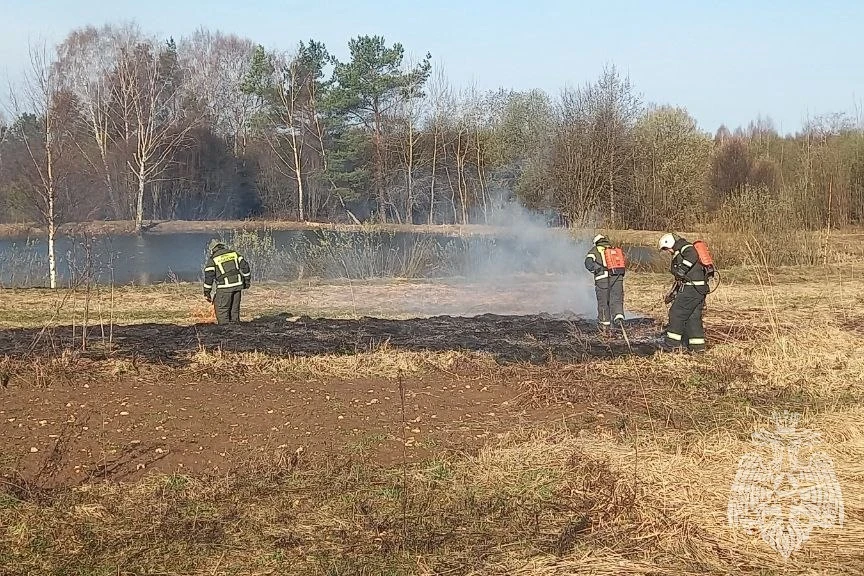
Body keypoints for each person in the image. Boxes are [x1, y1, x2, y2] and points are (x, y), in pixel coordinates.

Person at [658, 232, 707, 352]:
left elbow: (692, 255)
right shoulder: (680, 251)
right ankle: (697, 347)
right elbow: (680, 278)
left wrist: (682, 269)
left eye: (666, 248)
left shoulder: (685, 247)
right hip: (698, 289)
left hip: (691, 288)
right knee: (693, 317)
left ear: (670, 243)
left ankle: (671, 344)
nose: (667, 251)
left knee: (676, 313)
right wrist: (674, 292)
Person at [203, 239, 251, 324]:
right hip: (238, 286)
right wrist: (246, 281)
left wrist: (207, 292)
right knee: (234, 311)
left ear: (212, 249)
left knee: (222, 310)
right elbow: (245, 267)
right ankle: (236, 328)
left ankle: (225, 329)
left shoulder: (213, 259)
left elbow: (209, 277)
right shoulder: (233, 253)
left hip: (224, 288)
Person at [584, 234, 625, 331]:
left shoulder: (595, 250)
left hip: (602, 279)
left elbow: (588, 263)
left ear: (596, 242)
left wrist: (596, 270)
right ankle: (619, 318)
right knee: (617, 299)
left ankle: (604, 325)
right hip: (617, 278)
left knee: (603, 302)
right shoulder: (614, 249)